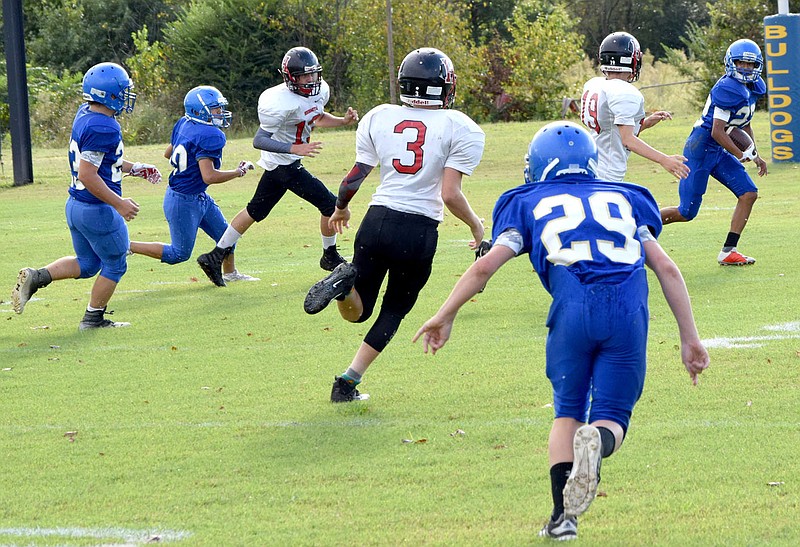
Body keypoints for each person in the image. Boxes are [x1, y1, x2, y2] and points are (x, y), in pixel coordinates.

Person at [413, 121, 709, 540]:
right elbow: (666, 268)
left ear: (538, 166)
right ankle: (598, 444)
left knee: (567, 412)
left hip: (571, 310)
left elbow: (484, 267)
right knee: (610, 419)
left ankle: (562, 519)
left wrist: (445, 314)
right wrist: (690, 338)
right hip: (627, 311)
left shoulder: (524, 201)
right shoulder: (626, 198)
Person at [302, 47, 486, 403]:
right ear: (442, 87)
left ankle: (343, 285)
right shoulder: (461, 126)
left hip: (377, 219)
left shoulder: (380, 115)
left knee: (358, 310)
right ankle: (347, 383)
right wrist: (476, 226)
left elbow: (356, 175)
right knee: (393, 311)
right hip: (417, 230)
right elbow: (450, 194)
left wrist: (340, 208)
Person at [11, 62, 162, 329]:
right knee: (116, 264)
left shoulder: (85, 114)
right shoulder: (104, 127)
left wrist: (134, 167)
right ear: (109, 94)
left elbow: (103, 162)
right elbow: (88, 174)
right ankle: (93, 319)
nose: (127, 97)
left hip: (76, 206)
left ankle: (38, 276)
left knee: (88, 263)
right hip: (97, 209)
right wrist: (120, 203)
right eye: (123, 91)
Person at [195, 46, 359, 287]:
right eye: (304, 76)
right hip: (284, 165)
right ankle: (329, 255)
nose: (310, 80)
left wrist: (342, 121)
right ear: (290, 78)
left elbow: (316, 117)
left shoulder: (317, 91)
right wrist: (295, 148)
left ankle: (214, 256)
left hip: (284, 164)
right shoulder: (278, 101)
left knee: (254, 211)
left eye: (313, 74)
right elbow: (259, 140)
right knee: (330, 204)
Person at [129, 85, 258, 282]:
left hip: (195, 195)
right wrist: (237, 172)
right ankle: (127, 246)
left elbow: (168, 153)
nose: (220, 113)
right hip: (183, 200)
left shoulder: (183, 123)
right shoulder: (210, 136)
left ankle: (230, 274)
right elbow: (209, 176)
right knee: (179, 254)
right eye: (215, 109)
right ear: (200, 111)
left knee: (228, 237)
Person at [660, 39, 768, 266]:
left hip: (719, 148)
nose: (746, 69)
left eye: (750, 65)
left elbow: (744, 125)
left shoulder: (753, 88)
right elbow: (718, 131)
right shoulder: (727, 88)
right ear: (731, 63)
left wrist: (755, 154)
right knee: (686, 212)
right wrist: (740, 155)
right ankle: (634, 225)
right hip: (700, 147)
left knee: (748, 193)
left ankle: (729, 250)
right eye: (741, 63)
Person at [580, 31, 690, 182]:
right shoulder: (625, 92)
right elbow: (627, 140)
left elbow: (611, 132)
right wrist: (664, 159)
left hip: (592, 167)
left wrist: (645, 123)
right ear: (631, 60)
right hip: (607, 174)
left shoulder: (594, 84)